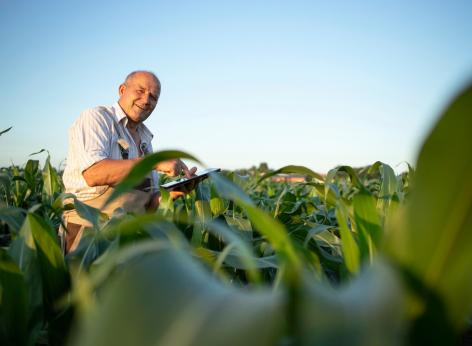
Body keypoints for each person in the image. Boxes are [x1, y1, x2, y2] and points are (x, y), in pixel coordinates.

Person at [61, 70, 196, 253]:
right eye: (140, 91)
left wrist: (172, 194)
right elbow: (94, 173)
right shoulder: (97, 118)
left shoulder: (146, 139)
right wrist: (153, 162)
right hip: (91, 233)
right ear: (122, 89)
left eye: (153, 97)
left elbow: (148, 206)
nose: (147, 100)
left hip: (129, 237)